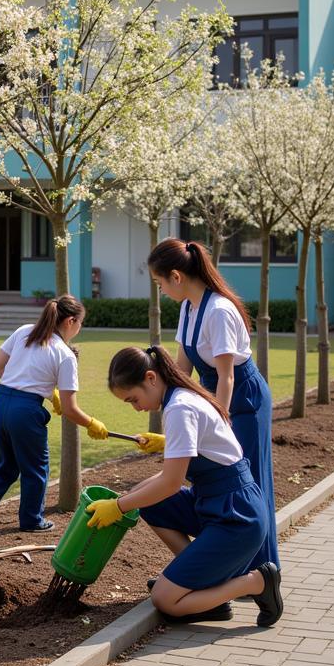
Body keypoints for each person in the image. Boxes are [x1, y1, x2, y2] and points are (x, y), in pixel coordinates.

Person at [85, 345, 282, 627]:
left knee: (165, 600)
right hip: (218, 502)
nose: (137, 408)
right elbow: (167, 479)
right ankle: (204, 586)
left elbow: (171, 482)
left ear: (151, 378)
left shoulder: (180, 408)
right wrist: (128, 498)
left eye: (133, 399)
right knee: (146, 499)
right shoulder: (182, 397)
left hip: (237, 518)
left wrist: (118, 506)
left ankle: (256, 582)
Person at [147, 237, 279, 571]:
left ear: (176, 276)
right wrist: (172, 420)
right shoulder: (188, 308)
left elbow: (227, 376)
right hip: (214, 396)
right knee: (214, 482)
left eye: (160, 282)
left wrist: (219, 424)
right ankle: (219, 566)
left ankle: (262, 572)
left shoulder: (218, 311)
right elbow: (182, 370)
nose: (161, 289)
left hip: (242, 400)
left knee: (248, 482)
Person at [0, 294, 108, 547]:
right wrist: (92, 423)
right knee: (36, 468)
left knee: (5, 466)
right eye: (80, 323)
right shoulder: (64, 354)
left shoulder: (25, 331)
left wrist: (44, 391)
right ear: (71, 321)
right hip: (26, 412)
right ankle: (31, 519)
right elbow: (71, 410)